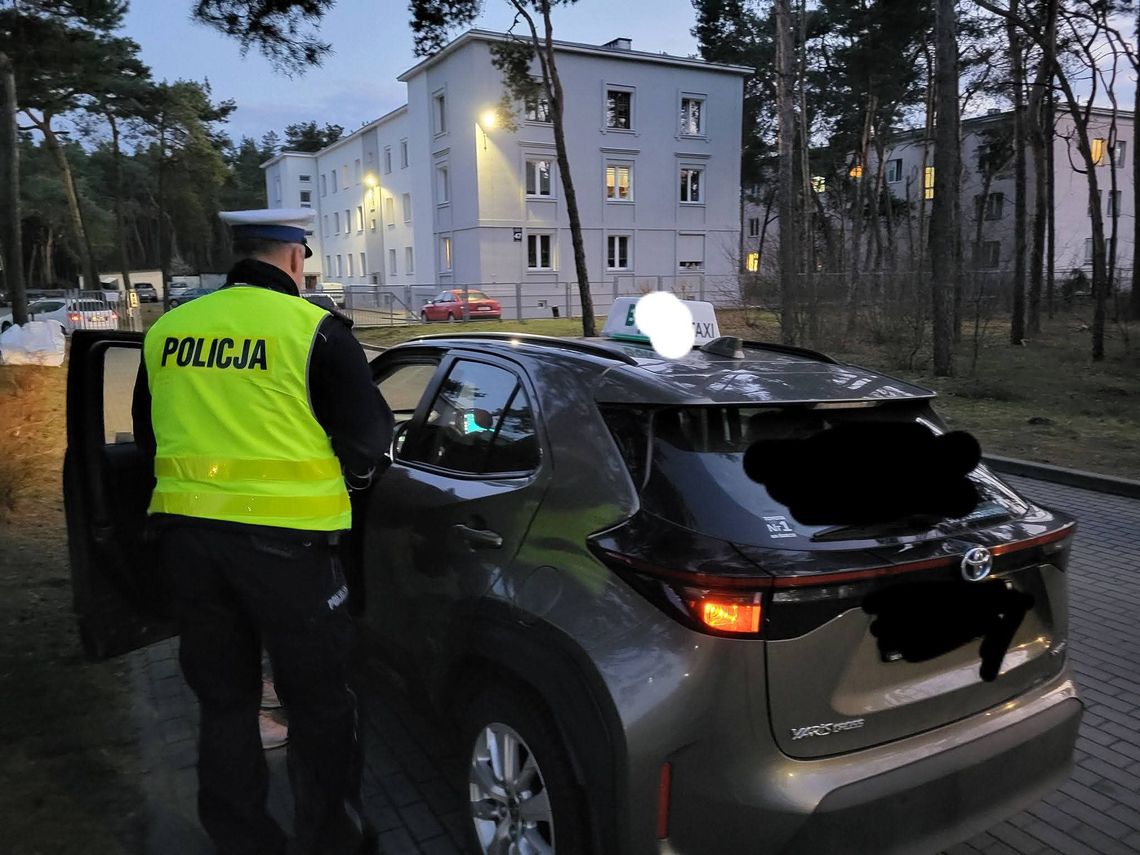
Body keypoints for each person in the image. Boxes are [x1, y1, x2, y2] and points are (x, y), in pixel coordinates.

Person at [132, 208, 393, 855]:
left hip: (189, 548)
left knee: (225, 702)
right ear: (296, 259)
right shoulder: (315, 331)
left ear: (239, 255)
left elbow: (147, 437)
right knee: (320, 706)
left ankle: (242, 838)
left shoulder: (169, 328)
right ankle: (331, 839)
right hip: (291, 556)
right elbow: (369, 442)